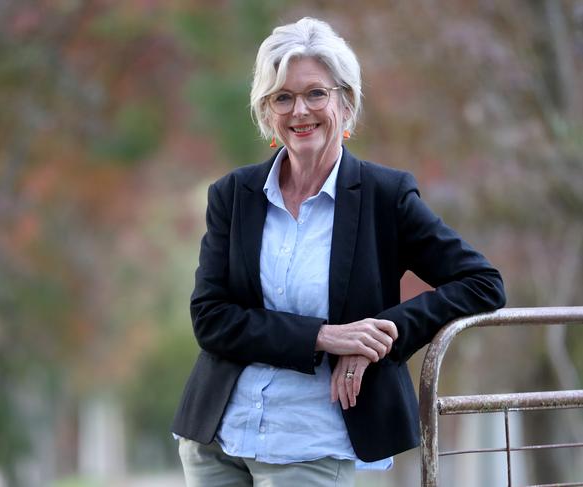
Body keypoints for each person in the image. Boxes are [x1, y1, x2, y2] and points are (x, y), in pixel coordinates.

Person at [172, 17, 505, 487]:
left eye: (315, 94)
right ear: (267, 112)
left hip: (310, 441)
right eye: (282, 97)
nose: (299, 111)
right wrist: (325, 337)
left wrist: (382, 335)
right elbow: (211, 318)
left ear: (345, 103)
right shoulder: (233, 195)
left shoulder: (384, 196)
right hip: (216, 439)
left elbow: (483, 283)